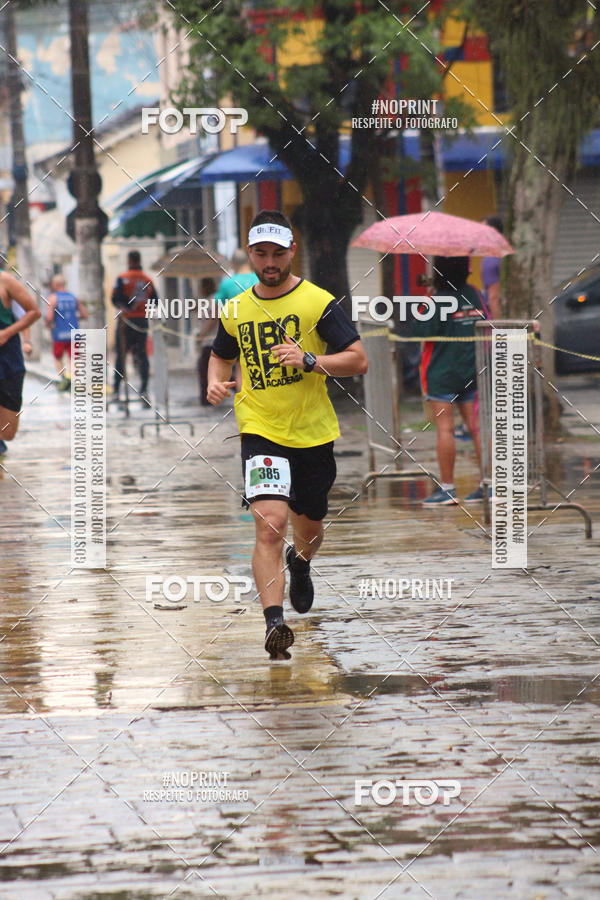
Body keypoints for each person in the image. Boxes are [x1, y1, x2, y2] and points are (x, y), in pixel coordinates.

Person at [207, 210, 368, 659]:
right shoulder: (236, 308)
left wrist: (311, 361)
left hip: (313, 433)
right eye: (261, 254)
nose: (270, 262)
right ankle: (274, 624)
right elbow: (220, 355)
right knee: (271, 523)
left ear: (292, 251)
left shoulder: (318, 302)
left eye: (278, 253)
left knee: (309, 526)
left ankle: (301, 562)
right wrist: (215, 382)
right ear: (250, 253)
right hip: (260, 431)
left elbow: (358, 360)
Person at [411, 255, 487, 505]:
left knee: (445, 429)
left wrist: (424, 304)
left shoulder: (436, 299)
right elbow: (486, 322)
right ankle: (488, 485)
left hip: (441, 374)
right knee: (476, 428)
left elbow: (421, 331)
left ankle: (447, 489)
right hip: (472, 371)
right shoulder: (474, 294)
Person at [0, 269, 41, 455]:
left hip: (7, 358)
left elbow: (34, 312)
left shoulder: (5, 281)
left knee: (8, 431)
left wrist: (6, 333)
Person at [111, 250, 157, 406]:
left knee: (121, 356)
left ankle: (116, 390)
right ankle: (144, 389)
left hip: (125, 322)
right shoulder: (147, 280)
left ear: (129, 260)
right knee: (142, 355)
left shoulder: (122, 278)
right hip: (141, 322)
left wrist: (125, 308)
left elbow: (115, 299)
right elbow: (155, 301)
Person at [213, 249, 259, 393]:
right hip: (262, 327)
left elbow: (218, 309)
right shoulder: (259, 279)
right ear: (250, 261)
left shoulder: (227, 283)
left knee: (241, 367)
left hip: (239, 331)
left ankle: (243, 399)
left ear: (233, 264)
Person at [45, 274, 88, 391]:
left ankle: (64, 379)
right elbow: (85, 314)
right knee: (75, 358)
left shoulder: (53, 298)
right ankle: (76, 381)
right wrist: (74, 317)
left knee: (58, 357)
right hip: (74, 333)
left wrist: (49, 324)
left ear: (55, 285)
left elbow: (49, 317)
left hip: (59, 333)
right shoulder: (74, 297)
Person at [480, 216, 503, 319]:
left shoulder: (490, 260)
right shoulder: (505, 255)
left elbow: (494, 298)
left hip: (496, 320)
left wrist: (498, 326)